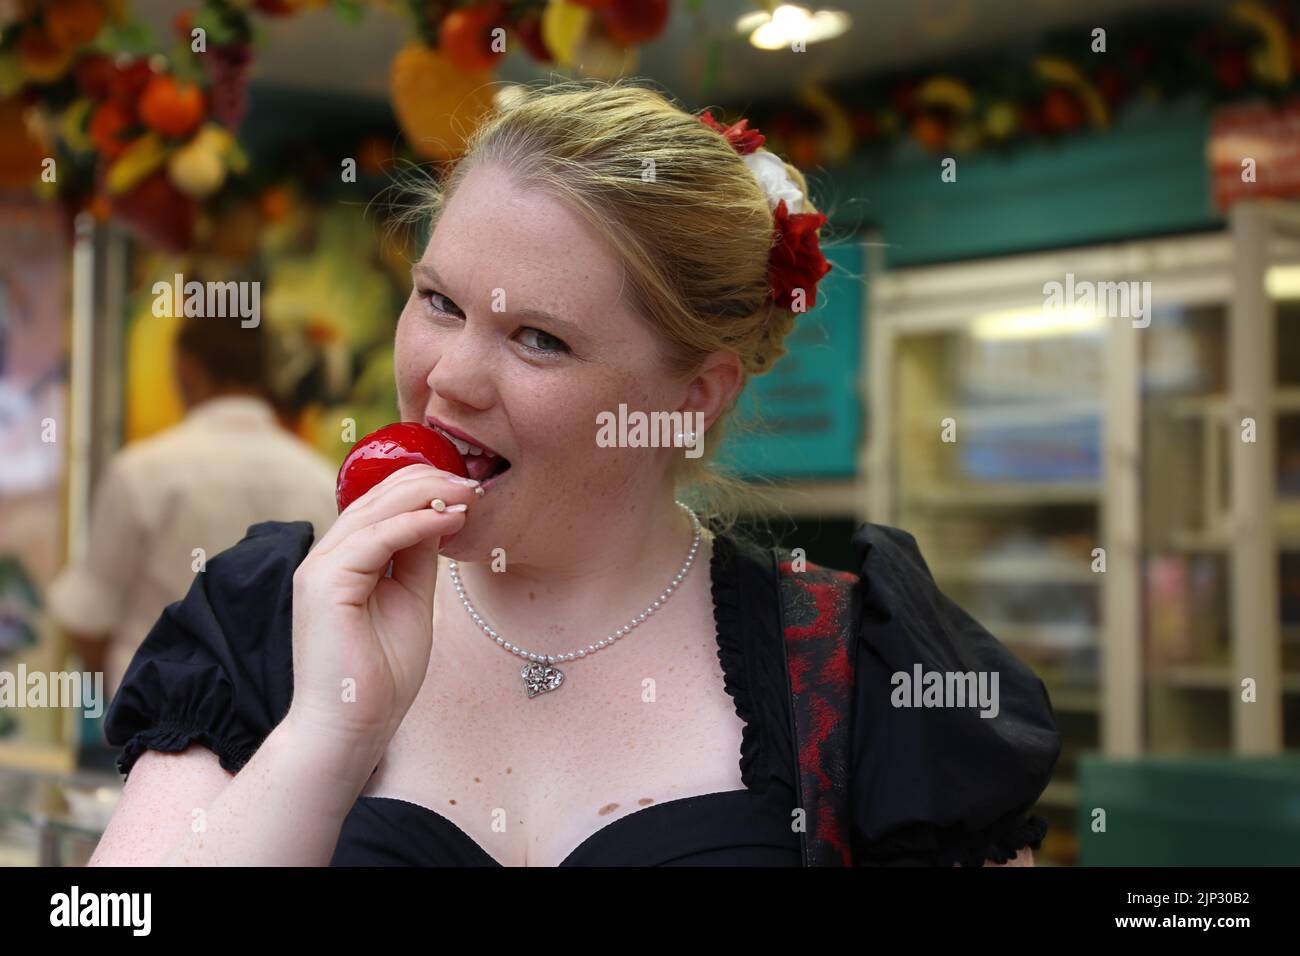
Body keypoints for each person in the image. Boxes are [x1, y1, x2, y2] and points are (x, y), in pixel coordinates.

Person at [89, 79, 1059, 867]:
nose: (448, 376)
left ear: (694, 394)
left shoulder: (857, 675)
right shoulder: (266, 618)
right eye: (437, 300)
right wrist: (323, 739)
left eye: (538, 338)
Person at [47, 304, 340, 703]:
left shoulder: (141, 472)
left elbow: (86, 619)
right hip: (275, 733)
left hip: (153, 729)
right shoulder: (321, 479)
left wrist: (130, 701)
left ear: (186, 368)